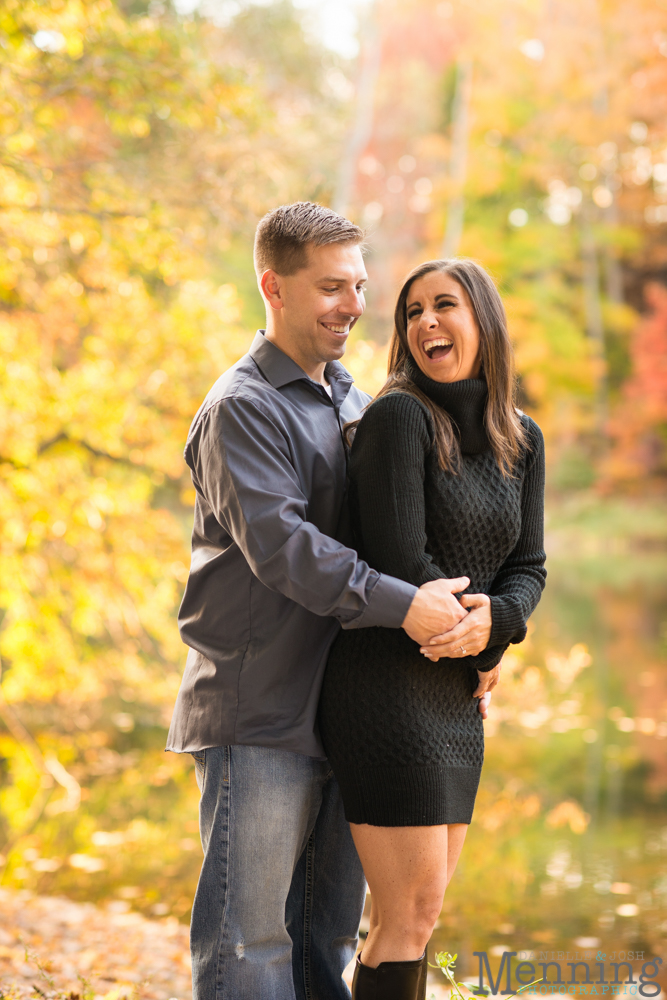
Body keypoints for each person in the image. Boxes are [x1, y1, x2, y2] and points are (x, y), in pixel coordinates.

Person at [166, 204, 474, 1000]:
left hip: (347, 714)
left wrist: (474, 633)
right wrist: (409, 606)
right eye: (332, 286)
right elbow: (287, 551)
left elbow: (401, 534)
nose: (354, 305)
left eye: (360, 285)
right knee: (251, 940)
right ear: (272, 285)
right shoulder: (242, 407)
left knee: (326, 937)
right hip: (259, 711)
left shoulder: (351, 400)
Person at [318, 258, 547, 1000]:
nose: (424, 323)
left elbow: (528, 567)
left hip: (454, 695)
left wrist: (497, 628)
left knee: (420, 914)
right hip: (385, 687)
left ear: (482, 319)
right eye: (411, 312)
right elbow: (398, 558)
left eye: (443, 305)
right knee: (406, 915)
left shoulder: (522, 439)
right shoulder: (399, 417)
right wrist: (476, 636)